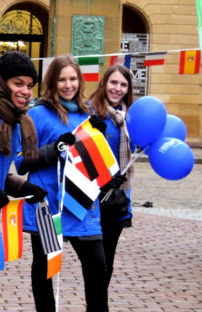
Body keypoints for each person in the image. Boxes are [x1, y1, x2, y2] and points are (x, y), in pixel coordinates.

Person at [16, 54, 109, 312]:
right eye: (62, 80)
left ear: (80, 81)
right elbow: (21, 162)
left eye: (72, 79)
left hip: (83, 208)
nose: (68, 85)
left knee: (97, 268)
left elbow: (96, 164)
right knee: (46, 269)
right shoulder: (36, 114)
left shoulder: (88, 115)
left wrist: (99, 141)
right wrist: (54, 148)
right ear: (52, 82)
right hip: (49, 208)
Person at [0, 51, 47, 312]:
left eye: (29, 85)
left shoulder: (16, 121)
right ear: (1, 81)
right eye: (18, 83)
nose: (25, 91)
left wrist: (20, 186)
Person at [87, 65, 134, 293]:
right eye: (113, 82)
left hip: (117, 197)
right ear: (104, 83)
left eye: (123, 84)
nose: (118, 88)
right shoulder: (90, 113)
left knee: (107, 261)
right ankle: (95, 306)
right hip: (93, 197)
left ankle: (97, 308)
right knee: (95, 262)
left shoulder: (130, 117)